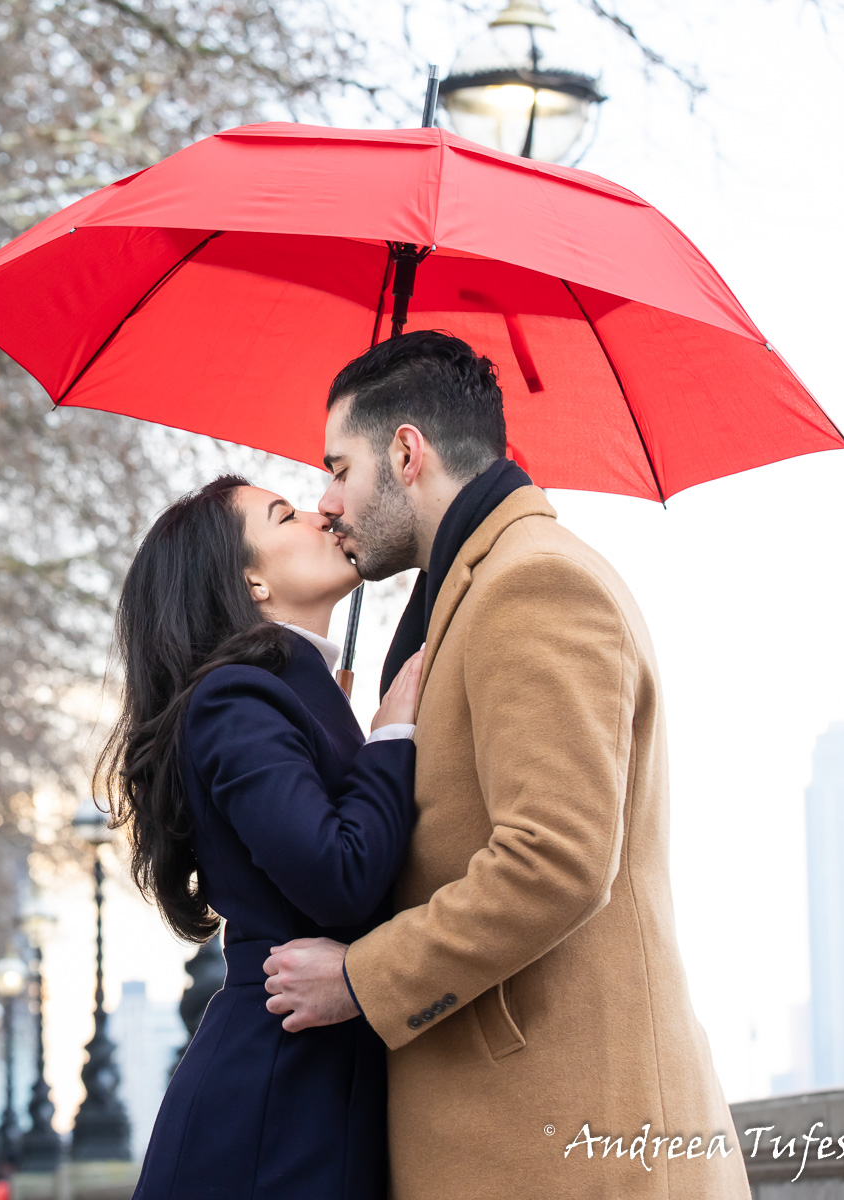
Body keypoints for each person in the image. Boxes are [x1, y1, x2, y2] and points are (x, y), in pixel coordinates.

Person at [261, 331, 749, 1199]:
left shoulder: (533, 585)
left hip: (572, 1146)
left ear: (407, 452)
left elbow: (555, 859)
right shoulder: (466, 594)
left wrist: (361, 981)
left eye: (340, 467)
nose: (326, 502)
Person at [99, 474, 424, 1199]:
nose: (322, 514)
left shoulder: (286, 690)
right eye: (286, 515)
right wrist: (391, 737)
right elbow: (338, 873)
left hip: (307, 1098)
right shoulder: (233, 697)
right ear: (250, 581)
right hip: (271, 1120)